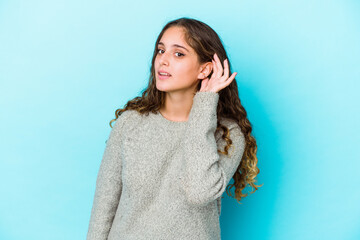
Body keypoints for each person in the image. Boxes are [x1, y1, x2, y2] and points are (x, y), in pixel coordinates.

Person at [86, 17, 262, 240]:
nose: (163, 61)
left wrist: (205, 103)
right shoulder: (130, 123)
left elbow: (199, 192)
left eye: (178, 53)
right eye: (161, 51)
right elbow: (104, 205)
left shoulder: (228, 134)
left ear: (205, 69)